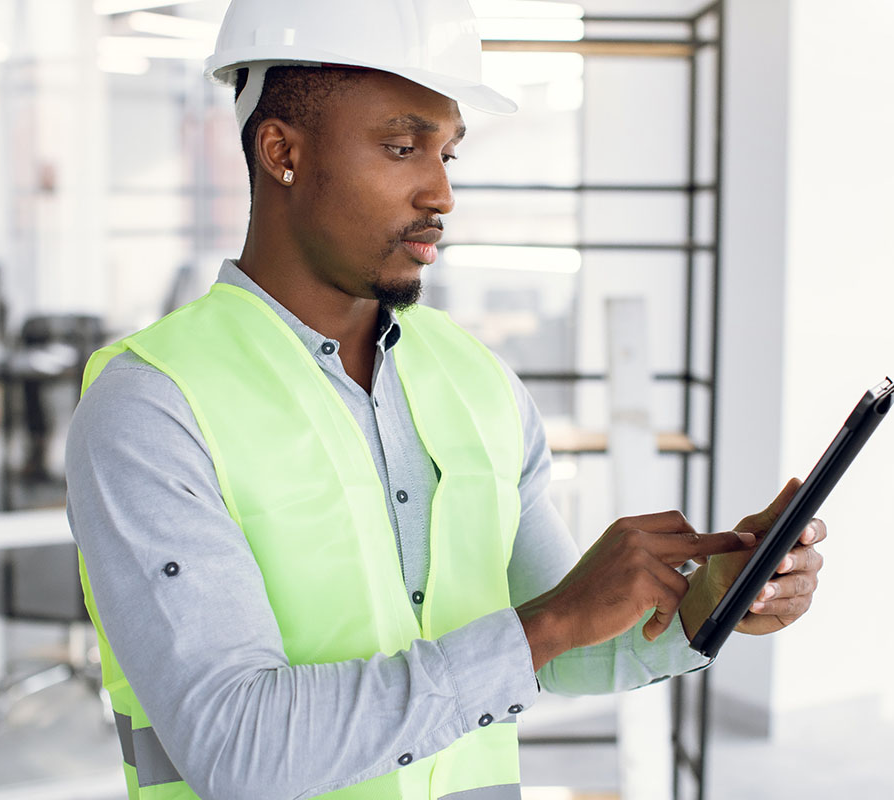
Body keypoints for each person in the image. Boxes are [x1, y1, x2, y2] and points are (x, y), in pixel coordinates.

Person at [66, 2, 826, 799]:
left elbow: (560, 649)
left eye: (448, 154)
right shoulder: (151, 406)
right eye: (402, 148)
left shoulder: (478, 381)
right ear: (281, 150)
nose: (441, 193)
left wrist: (715, 598)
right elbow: (238, 746)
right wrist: (552, 620)